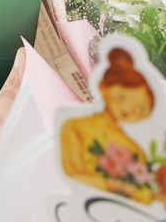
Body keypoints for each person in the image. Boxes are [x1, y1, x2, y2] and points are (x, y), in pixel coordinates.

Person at [60, 48, 155, 203]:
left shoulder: (136, 147)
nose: (128, 108)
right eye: (121, 97)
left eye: (140, 108)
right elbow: (70, 176)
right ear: (103, 87)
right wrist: (114, 186)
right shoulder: (75, 127)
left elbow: (146, 194)